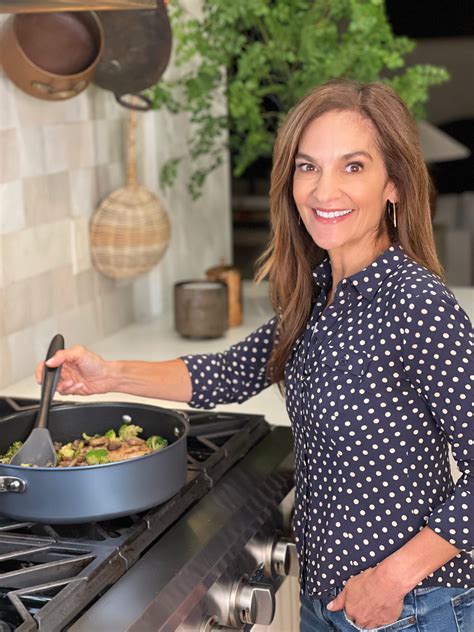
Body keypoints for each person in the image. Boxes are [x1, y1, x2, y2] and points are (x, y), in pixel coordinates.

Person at [38, 79, 473, 632]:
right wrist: (106, 375)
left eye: (353, 167)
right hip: (330, 600)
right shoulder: (321, 293)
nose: (323, 190)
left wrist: (390, 581)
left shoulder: (416, 304)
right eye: (308, 166)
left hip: (407, 609)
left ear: (395, 185)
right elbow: (226, 373)